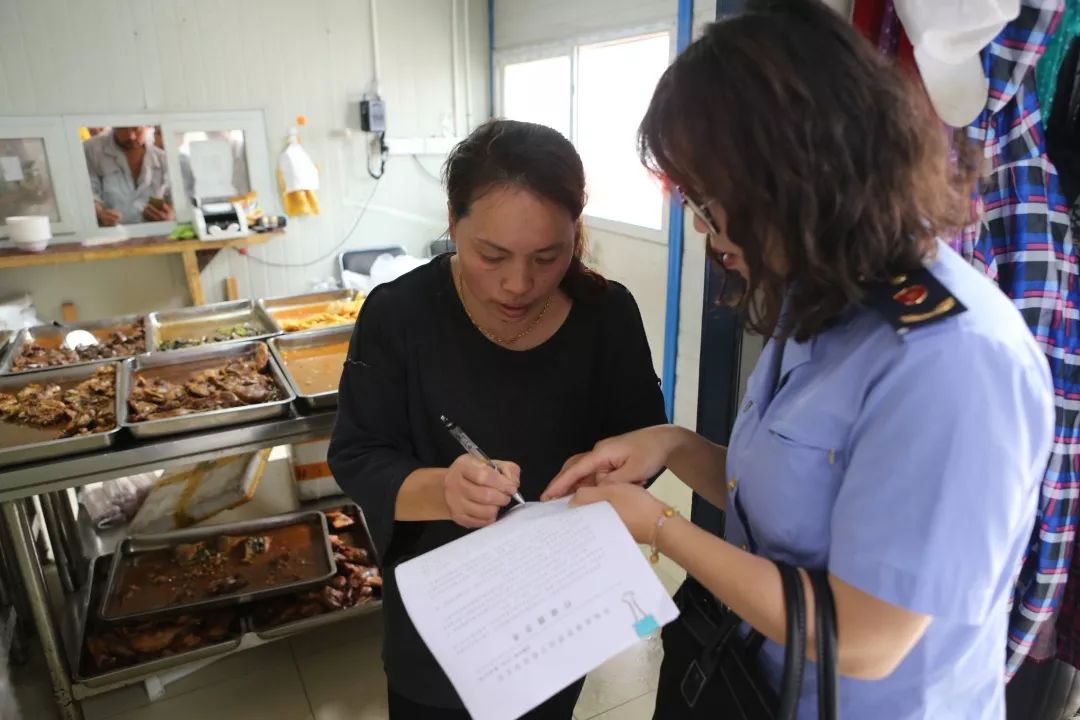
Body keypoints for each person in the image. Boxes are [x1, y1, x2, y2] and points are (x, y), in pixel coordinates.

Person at [543, 1, 1055, 717]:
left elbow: (868, 638)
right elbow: (789, 505)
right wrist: (670, 445)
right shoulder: (822, 298)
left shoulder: (951, 362)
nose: (706, 228)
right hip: (760, 680)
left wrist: (660, 527)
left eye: (711, 201)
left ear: (793, 185)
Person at [328, 119, 667, 719]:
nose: (518, 284)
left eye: (548, 256)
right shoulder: (398, 316)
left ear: (576, 231)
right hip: (442, 613)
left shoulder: (607, 314)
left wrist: (613, 482)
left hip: (559, 606)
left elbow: (642, 438)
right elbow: (358, 455)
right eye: (491, 255)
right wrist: (442, 489)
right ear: (453, 224)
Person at [83, 126, 173, 226]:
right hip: (110, 235)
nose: (131, 136)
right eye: (124, 128)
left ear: (148, 125)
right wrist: (100, 214)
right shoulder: (91, 149)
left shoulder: (163, 159)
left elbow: (176, 200)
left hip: (154, 234)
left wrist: (170, 215)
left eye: (136, 128)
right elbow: (87, 193)